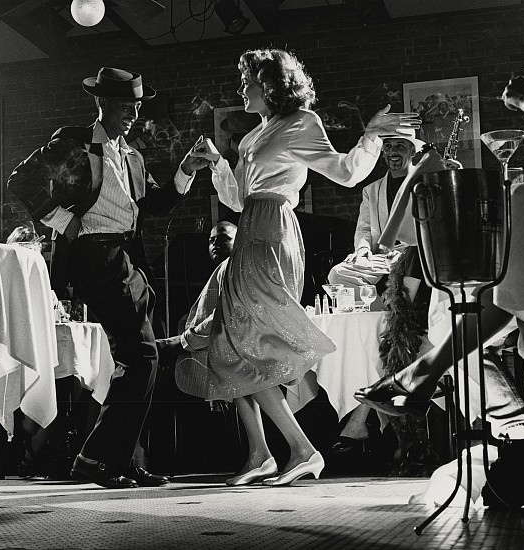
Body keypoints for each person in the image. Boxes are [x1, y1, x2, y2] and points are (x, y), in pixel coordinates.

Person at [184, 48, 420, 486]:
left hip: (274, 232)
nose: (241, 88)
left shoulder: (301, 123)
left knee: (245, 340)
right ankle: (260, 454)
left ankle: (301, 449)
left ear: (271, 85)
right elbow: (237, 199)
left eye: (248, 80)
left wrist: (369, 137)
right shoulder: (254, 136)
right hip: (250, 226)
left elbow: (348, 173)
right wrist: (217, 163)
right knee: (230, 342)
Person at [357, 33, 524, 518]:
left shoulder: (455, 174)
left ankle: (424, 375)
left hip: (455, 282)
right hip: (447, 283)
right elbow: (390, 245)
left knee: (506, 311)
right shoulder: (411, 181)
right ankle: (426, 376)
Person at [7, 67, 209, 489]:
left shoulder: (131, 155)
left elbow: (153, 202)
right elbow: (21, 179)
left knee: (144, 358)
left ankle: (120, 458)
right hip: (95, 257)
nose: (133, 114)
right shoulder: (74, 143)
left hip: (129, 259)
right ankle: (95, 458)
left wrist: (186, 168)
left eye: (137, 107)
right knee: (142, 356)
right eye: (124, 106)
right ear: (102, 104)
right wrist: (62, 221)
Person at [327, 131, 425, 297]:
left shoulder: (427, 181)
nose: (393, 152)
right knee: (337, 274)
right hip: (383, 258)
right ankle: (383, 315)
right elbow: (364, 228)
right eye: (387, 147)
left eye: (400, 146)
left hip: (418, 256)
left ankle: (393, 315)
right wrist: (363, 250)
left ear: (413, 151)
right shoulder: (371, 190)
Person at [154, 221, 237, 369]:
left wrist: (179, 342)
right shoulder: (216, 270)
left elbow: (224, 318)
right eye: (211, 240)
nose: (215, 244)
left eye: (224, 238)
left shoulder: (236, 270)